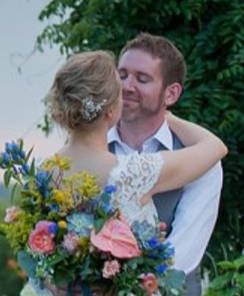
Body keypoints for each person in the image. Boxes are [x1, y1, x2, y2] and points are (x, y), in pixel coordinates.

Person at [22, 50, 227, 296]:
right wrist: (169, 117)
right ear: (110, 111)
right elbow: (215, 147)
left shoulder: (44, 173)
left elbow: (33, 255)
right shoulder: (131, 172)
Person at [109, 34, 222, 296]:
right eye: (122, 75)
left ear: (170, 93)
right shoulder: (90, 147)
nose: (127, 86)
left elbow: (182, 255)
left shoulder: (201, 161)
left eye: (142, 78)